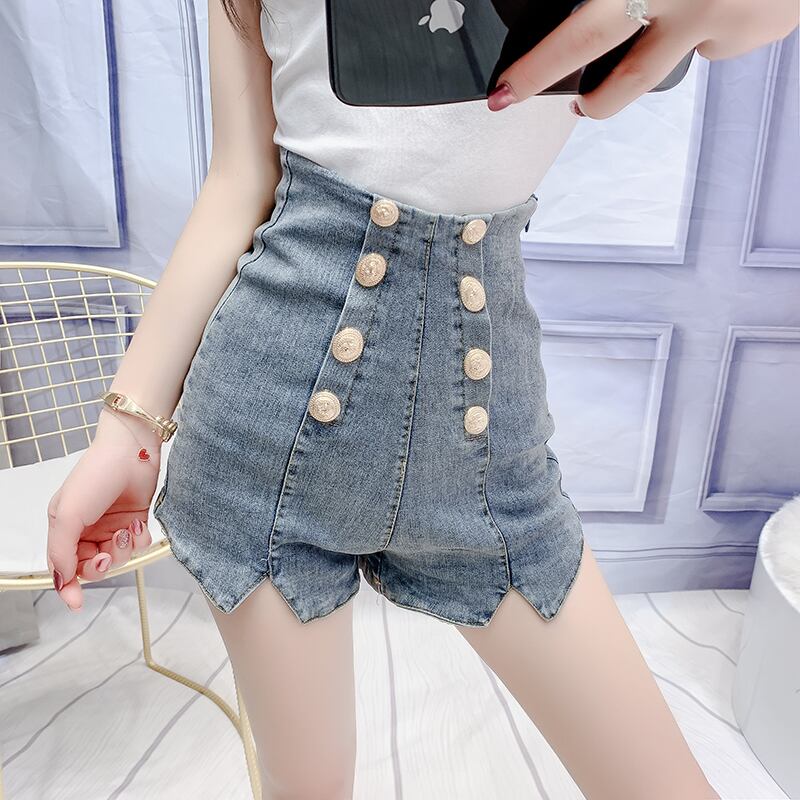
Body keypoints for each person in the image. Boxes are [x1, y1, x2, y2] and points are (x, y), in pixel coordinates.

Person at [45, 1, 796, 798]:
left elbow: (760, 19)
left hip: (485, 432)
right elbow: (239, 181)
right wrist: (125, 432)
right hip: (267, 426)